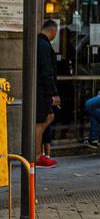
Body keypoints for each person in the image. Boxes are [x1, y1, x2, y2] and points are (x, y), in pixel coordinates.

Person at [35, 19, 61, 168]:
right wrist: (53, 93)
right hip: (42, 91)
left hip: (39, 89)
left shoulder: (37, 43)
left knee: (47, 117)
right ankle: (37, 156)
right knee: (40, 122)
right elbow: (47, 71)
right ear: (52, 31)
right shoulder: (44, 45)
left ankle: (37, 154)